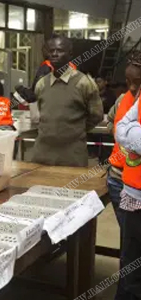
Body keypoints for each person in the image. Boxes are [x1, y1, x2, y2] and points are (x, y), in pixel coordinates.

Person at [31, 35, 103, 167]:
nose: (54, 54)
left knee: (72, 186)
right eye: (51, 51)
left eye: (59, 50)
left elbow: (96, 115)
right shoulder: (41, 83)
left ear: (70, 54)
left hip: (72, 156)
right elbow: (42, 114)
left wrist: (75, 130)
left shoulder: (84, 83)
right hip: (42, 154)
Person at [106, 50, 141, 300]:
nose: (132, 88)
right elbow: (112, 124)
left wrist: (126, 135)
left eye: (137, 83)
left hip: (135, 185)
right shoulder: (123, 100)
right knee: (129, 248)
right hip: (120, 180)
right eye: (129, 82)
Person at [115, 88, 141, 300]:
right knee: (131, 267)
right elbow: (121, 130)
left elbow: (129, 133)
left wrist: (133, 132)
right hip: (135, 197)